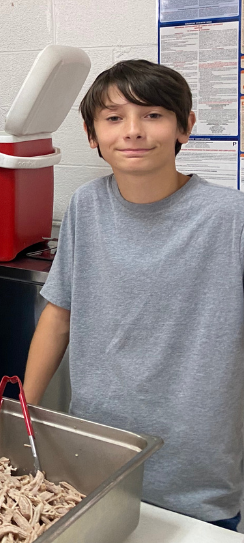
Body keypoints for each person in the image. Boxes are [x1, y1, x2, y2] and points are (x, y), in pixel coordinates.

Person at [23, 60, 244, 531]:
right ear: (91, 134)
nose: (134, 131)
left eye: (154, 115)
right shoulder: (87, 205)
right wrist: (22, 409)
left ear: (186, 127)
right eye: (114, 117)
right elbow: (58, 317)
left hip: (197, 473)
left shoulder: (231, 217)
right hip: (97, 454)